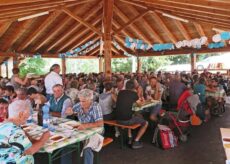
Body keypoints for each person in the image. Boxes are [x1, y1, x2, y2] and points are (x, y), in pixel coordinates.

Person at [65, 89, 103, 164]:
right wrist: (69, 111)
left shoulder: (95, 106)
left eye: (84, 101)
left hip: (96, 131)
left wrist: (86, 125)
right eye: (80, 100)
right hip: (82, 130)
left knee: (87, 148)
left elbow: (100, 123)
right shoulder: (79, 105)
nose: (81, 103)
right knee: (66, 142)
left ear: (90, 100)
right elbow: (71, 111)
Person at [115, 80, 148, 149]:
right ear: (134, 87)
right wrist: (142, 100)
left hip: (117, 119)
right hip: (126, 120)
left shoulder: (120, 92)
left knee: (132, 115)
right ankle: (136, 141)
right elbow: (140, 105)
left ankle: (130, 137)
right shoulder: (134, 94)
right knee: (146, 123)